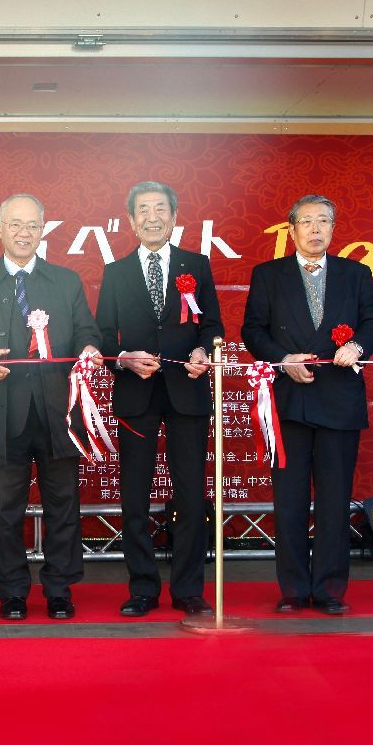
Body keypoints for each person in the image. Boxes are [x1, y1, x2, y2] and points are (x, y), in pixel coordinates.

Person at [0, 193, 103, 620]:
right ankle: (11, 592)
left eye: (33, 225)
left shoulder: (65, 281)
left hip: (58, 411)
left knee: (64, 504)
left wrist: (89, 348)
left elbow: (86, 330)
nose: (24, 233)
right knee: (6, 509)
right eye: (15, 224)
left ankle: (59, 588)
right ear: (0, 229)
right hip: (1, 412)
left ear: (43, 231)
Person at [241, 194, 373, 615]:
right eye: (306, 221)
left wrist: (358, 346)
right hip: (290, 401)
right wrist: (283, 360)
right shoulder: (269, 274)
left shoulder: (356, 274)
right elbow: (253, 330)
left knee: (335, 501)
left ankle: (330, 589)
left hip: (339, 400)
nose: (315, 229)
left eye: (324, 221)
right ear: (292, 230)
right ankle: (294, 589)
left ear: (334, 229)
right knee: (290, 501)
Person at [95, 181, 222, 618]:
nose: (153, 217)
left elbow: (212, 326)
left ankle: (188, 589)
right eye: (144, 210)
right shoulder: (116, 272)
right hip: (137, 393)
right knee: (135, 494)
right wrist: (123, 359)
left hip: (187, 391)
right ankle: (142, 588)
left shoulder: (196, 265)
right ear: (131, 221)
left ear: (174, 216)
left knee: (190, 495)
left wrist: (204, 352)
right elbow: (102, 335)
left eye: (160, 209)